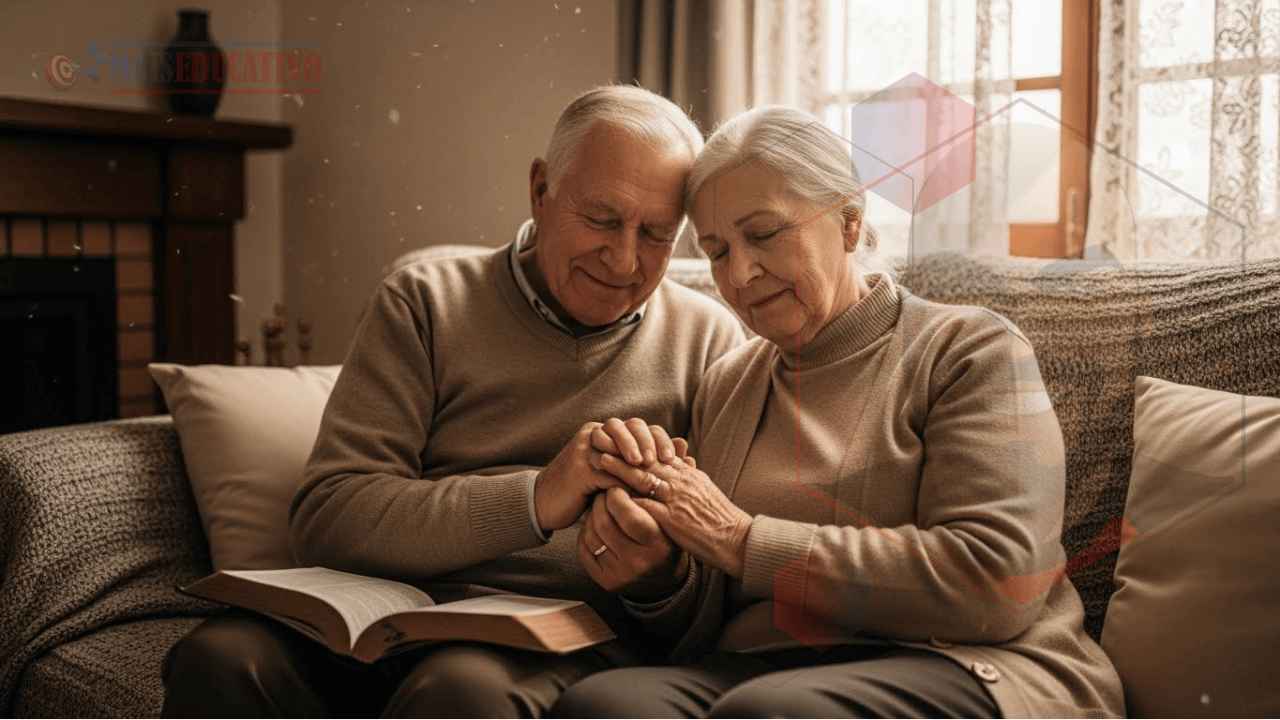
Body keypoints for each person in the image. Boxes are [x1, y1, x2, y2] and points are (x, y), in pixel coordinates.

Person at [159, 85, 745, 718]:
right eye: (602, 219)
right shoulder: (425, 300)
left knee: (459, 691)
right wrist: (536, 498)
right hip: (390, 615)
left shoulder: (708, 340)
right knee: (220, 656)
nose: (625, 258)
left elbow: (715, 586)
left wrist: (658, 578)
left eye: (657, 234)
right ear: (540, 191)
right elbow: (328, 518)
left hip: (563, 639)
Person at [553, 106, 1126, 718]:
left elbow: (997, 585)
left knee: (772, 713)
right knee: (602, 705)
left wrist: (744, 540)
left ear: (850, 222)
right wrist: (657, 575)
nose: (740, 274)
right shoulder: (728, 384)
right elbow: (700, 621)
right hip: (758, 670)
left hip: (965, 665)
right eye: (717, 251)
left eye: (765, 234)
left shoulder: (970, 352)